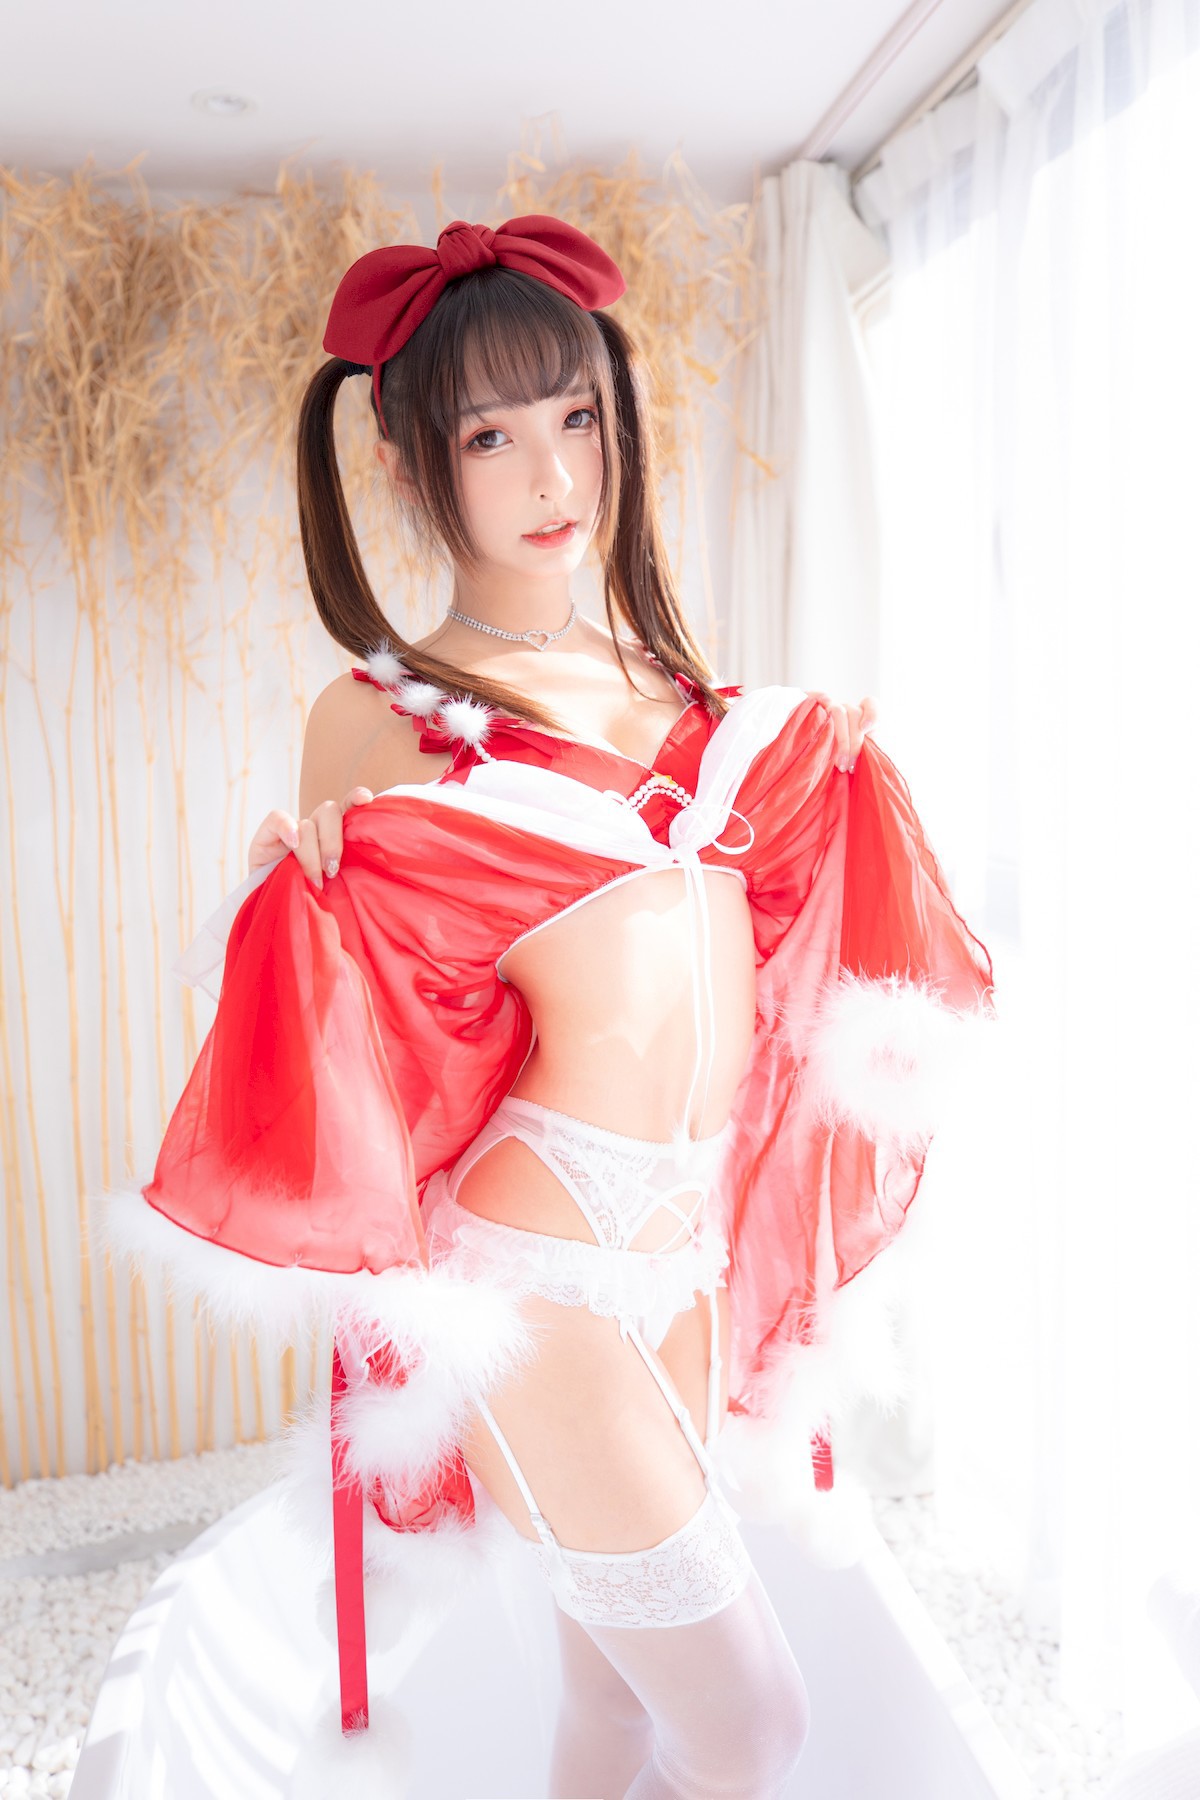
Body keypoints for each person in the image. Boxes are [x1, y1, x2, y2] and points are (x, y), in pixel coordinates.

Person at [106, 215, 996, 1798]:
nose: (551, 475)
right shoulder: (377, 715)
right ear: (410, 463)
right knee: (754, 1724)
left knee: (618, 1708)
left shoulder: (677, 684)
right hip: (542, 1263)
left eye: (575, 417)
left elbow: (755, 960)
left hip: (683, 1247)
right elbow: (365, 1017)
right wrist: (283, 894)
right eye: (491, 437)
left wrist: (834, 781)